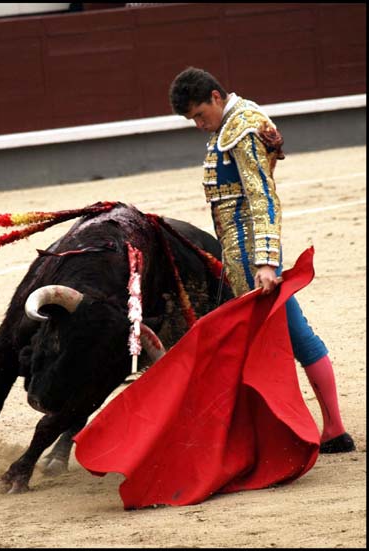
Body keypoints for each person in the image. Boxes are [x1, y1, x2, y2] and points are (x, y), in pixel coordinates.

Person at [169, 66, 355, 453]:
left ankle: (329, 430)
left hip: (252, 250)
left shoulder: (242, 127)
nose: (199, 125)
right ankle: (321, 429)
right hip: (240, 249)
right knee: (277, 334)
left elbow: (263, 198)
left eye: (200, 115)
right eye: (193, 120)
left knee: (289, 334)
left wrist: (266, 261)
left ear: (216, 97)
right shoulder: (229, 125)